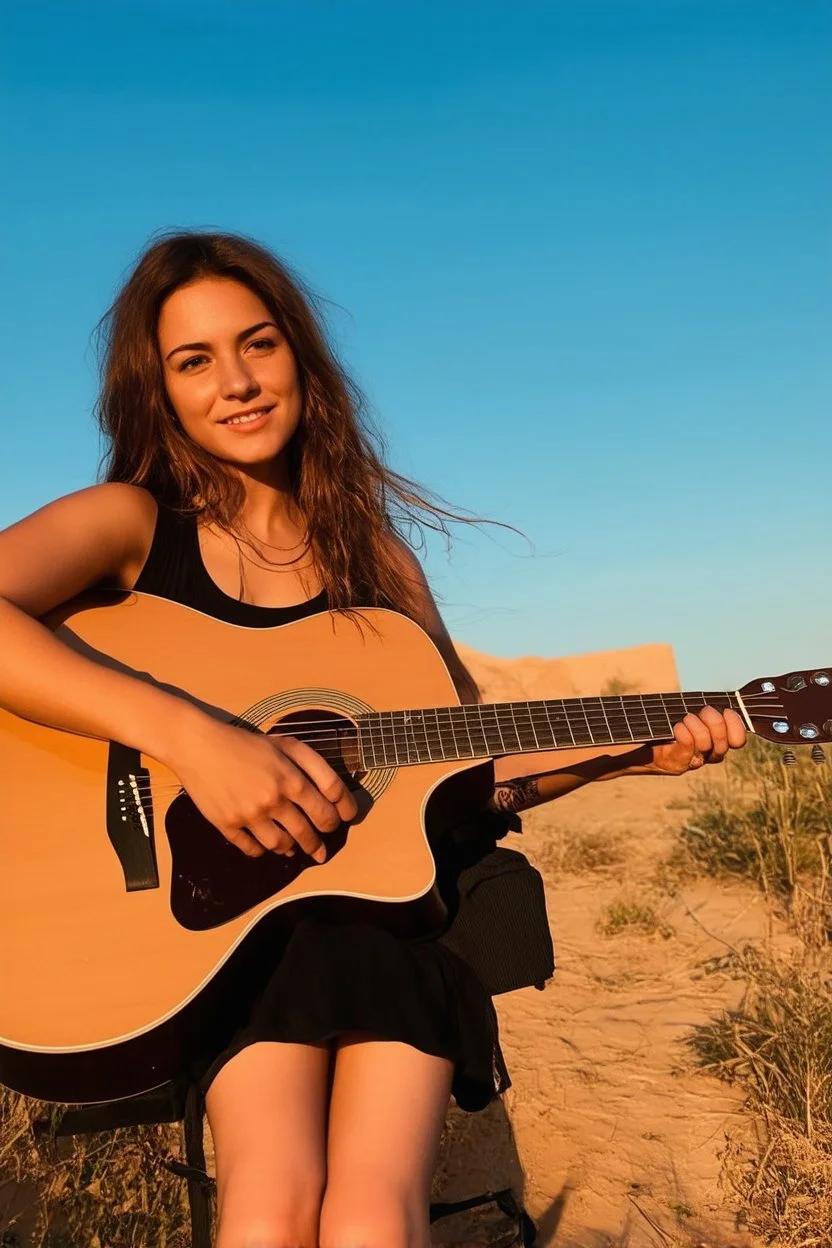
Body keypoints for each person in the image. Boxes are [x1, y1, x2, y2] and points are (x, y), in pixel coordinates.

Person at [0, 231, 747, 1248]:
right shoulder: (132, 524)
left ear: (302, 357)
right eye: (194, 360)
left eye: (257, 345)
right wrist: (191, 736)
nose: (236, 382)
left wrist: (629, 751)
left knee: (371, 1219)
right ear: (159, 391)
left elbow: (464, 775)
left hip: (384, 925)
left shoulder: (378, 566)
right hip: (227, 937)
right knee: (266, 1208)